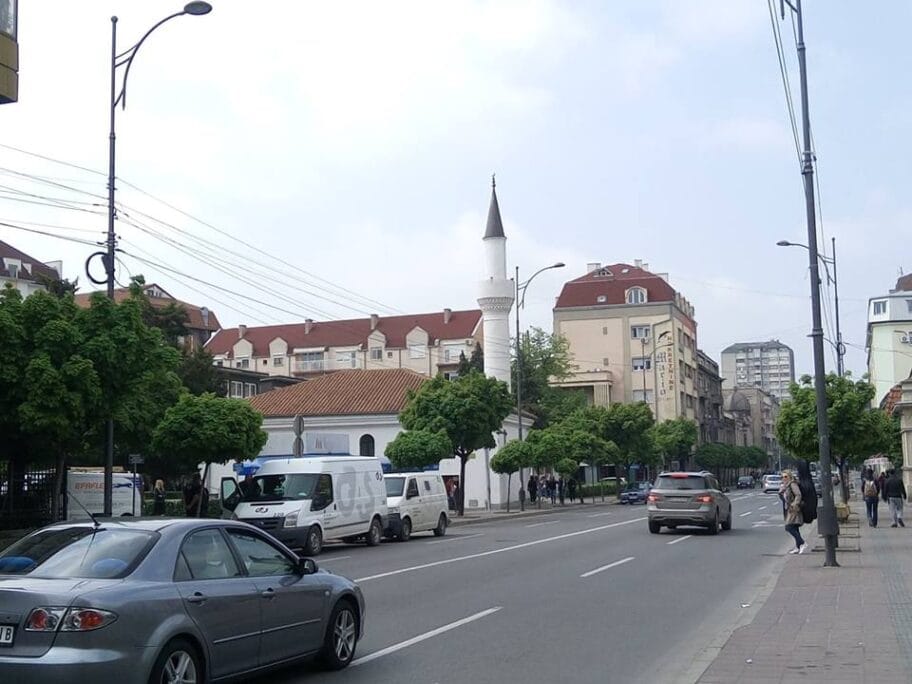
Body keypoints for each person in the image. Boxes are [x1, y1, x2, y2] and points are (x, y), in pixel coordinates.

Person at [781, 470, 807, 554]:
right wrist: (781, 492)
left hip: (794, 509)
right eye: (782, 477)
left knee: (789, 527)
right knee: (795, 527)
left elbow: (798, 494)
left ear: (790, 476)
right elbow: (784, 499)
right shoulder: (785, 486)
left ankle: (802, 543)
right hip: (789, 509)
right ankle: (798, 546)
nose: (784, 478)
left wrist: (794, 504)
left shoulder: (792, 484)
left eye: (785, 476)